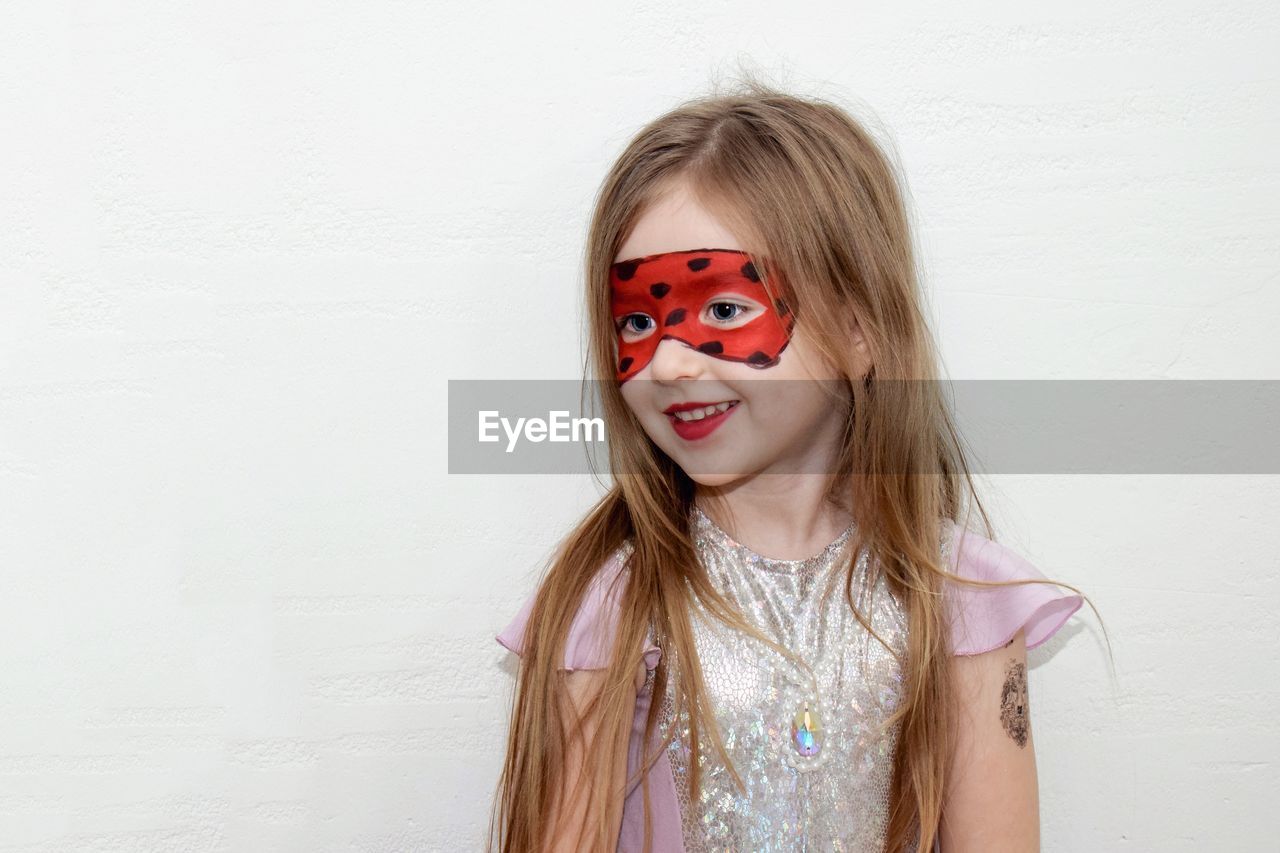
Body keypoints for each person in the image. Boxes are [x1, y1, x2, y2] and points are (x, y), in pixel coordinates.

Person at [489, 78, 1097, 853]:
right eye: (638, 320)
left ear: (857, 328)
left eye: (724, 308)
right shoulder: (607, 607)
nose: (670, 361)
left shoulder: (963, 601)